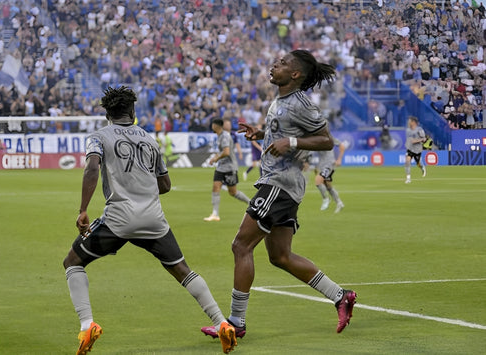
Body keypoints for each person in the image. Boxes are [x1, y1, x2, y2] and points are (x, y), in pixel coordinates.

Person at [63, 86, 237, 355]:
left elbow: (92, 167)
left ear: (108, 114)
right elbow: (165, 184)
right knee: (183, 271)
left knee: (73, 262)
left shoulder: (98, 137)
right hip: (154, 219)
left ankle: (87, 325)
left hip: (119, 218)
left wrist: (83, 209)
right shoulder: (150, 140)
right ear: (132, 112)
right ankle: (222, 322)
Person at [201, 50, 357, 341]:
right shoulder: (281, 101)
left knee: (241, 246)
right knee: (281, 256)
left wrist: (292, 141)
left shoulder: (300, 103)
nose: (275, 65)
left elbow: (326, 140)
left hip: (279, 185)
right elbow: (284, 136)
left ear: (295, 74)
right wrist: (263, 134)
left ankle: (236, 323)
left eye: (283, 63)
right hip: (283, 185)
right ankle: (341, 296)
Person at [204, 118, 251, 222]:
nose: (211, 126)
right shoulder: (220, 136)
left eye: (212, 124)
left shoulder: (225, 136)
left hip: (229, 167)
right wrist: (214, 158)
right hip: (221, 167)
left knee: (233, 192)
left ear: (216, 126)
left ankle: (251, 203)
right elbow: (222, 151)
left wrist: (216, 158)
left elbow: (226, 152)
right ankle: (215, 214)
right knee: (216, 187)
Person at [315, 137, 346, 213]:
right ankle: (339, 203)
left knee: (318, 181)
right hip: (322, 165)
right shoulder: (314, 138)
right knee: (328, 186)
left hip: (329, 164)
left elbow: (342, 145)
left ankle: (326, 199)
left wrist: (339, 159)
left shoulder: (328, 137)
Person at [404, 116, 426, 184]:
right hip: (410, 148)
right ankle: (408, 178)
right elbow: (410, 140)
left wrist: (419, 140)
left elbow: (424, 139)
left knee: (418, 164)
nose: (408, 122)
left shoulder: (419, 130)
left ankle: (422, 168)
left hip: (417, 149)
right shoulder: (408, 130)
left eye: (409, 121)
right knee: (407, 161)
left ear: (413, 122)